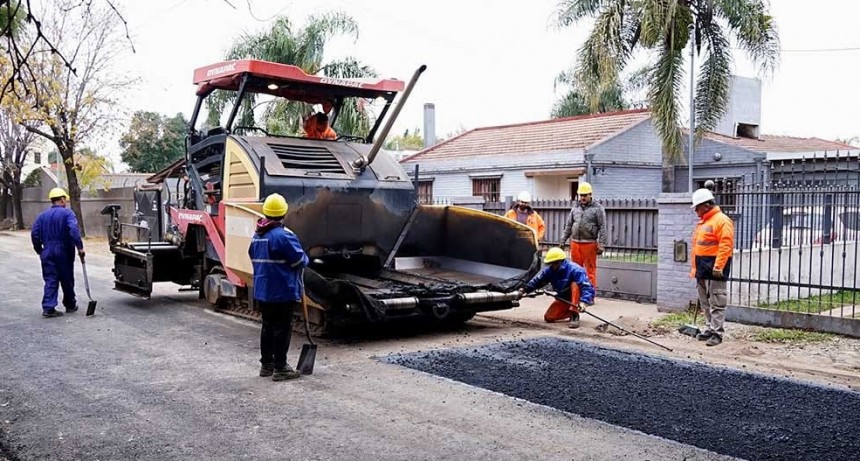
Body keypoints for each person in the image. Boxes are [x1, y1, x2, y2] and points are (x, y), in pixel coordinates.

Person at [248, 193, 309, 381]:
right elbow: (300, 261)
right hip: (282, 290)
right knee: (282, 328)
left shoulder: (257, 236)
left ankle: (267, 365)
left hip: (263, 290)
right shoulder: (284, 236)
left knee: (267, 326)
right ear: (284, 212)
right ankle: (281, 368)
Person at [690, 188, 734, 347]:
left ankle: (717, 333)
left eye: (697, 207)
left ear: (706, 205)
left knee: (717, 302)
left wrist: (718, 266)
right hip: (703, 269)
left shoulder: (722, 221)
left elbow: (726, 245)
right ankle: (709, 328)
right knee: (706, 303)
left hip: (715, 270)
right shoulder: (704, 222)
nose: (695, 210)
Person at [30, 187, 85, 318]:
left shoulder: (41, 216)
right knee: (67, 278)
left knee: (50, 278)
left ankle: (49, 307)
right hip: (64, 251)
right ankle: (70, 304)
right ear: (62, 199)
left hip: (47, 250)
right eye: (65, 199)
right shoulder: (68, 214)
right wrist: (80, 247)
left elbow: (35, 234)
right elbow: (73, 230)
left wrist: (40, 250)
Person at [518, 247, 594, 329]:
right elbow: (538, 281)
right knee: (549, 317)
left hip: (577, 297)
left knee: (574, 284)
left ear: (559, 262)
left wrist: (584, 302)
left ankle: (574, 315)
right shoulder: (550, 271)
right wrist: (524, 289)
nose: (550, 266)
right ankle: (570, 309)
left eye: (552, 263)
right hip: (564, 297)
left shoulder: (575, 270)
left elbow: (587, 287)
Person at [560, 181, 606, 290]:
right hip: (575, 243)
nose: (583, 198)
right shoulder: (575, 208)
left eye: (585, 195)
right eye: (581, 195)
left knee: (590, 271)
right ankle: (576, 296)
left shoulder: (598, 209)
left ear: (590, 194)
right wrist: (563, 240)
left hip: (590, 243)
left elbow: (602, 227)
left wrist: (601, 244)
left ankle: (589, 296)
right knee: (575, 270)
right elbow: (568, 226)